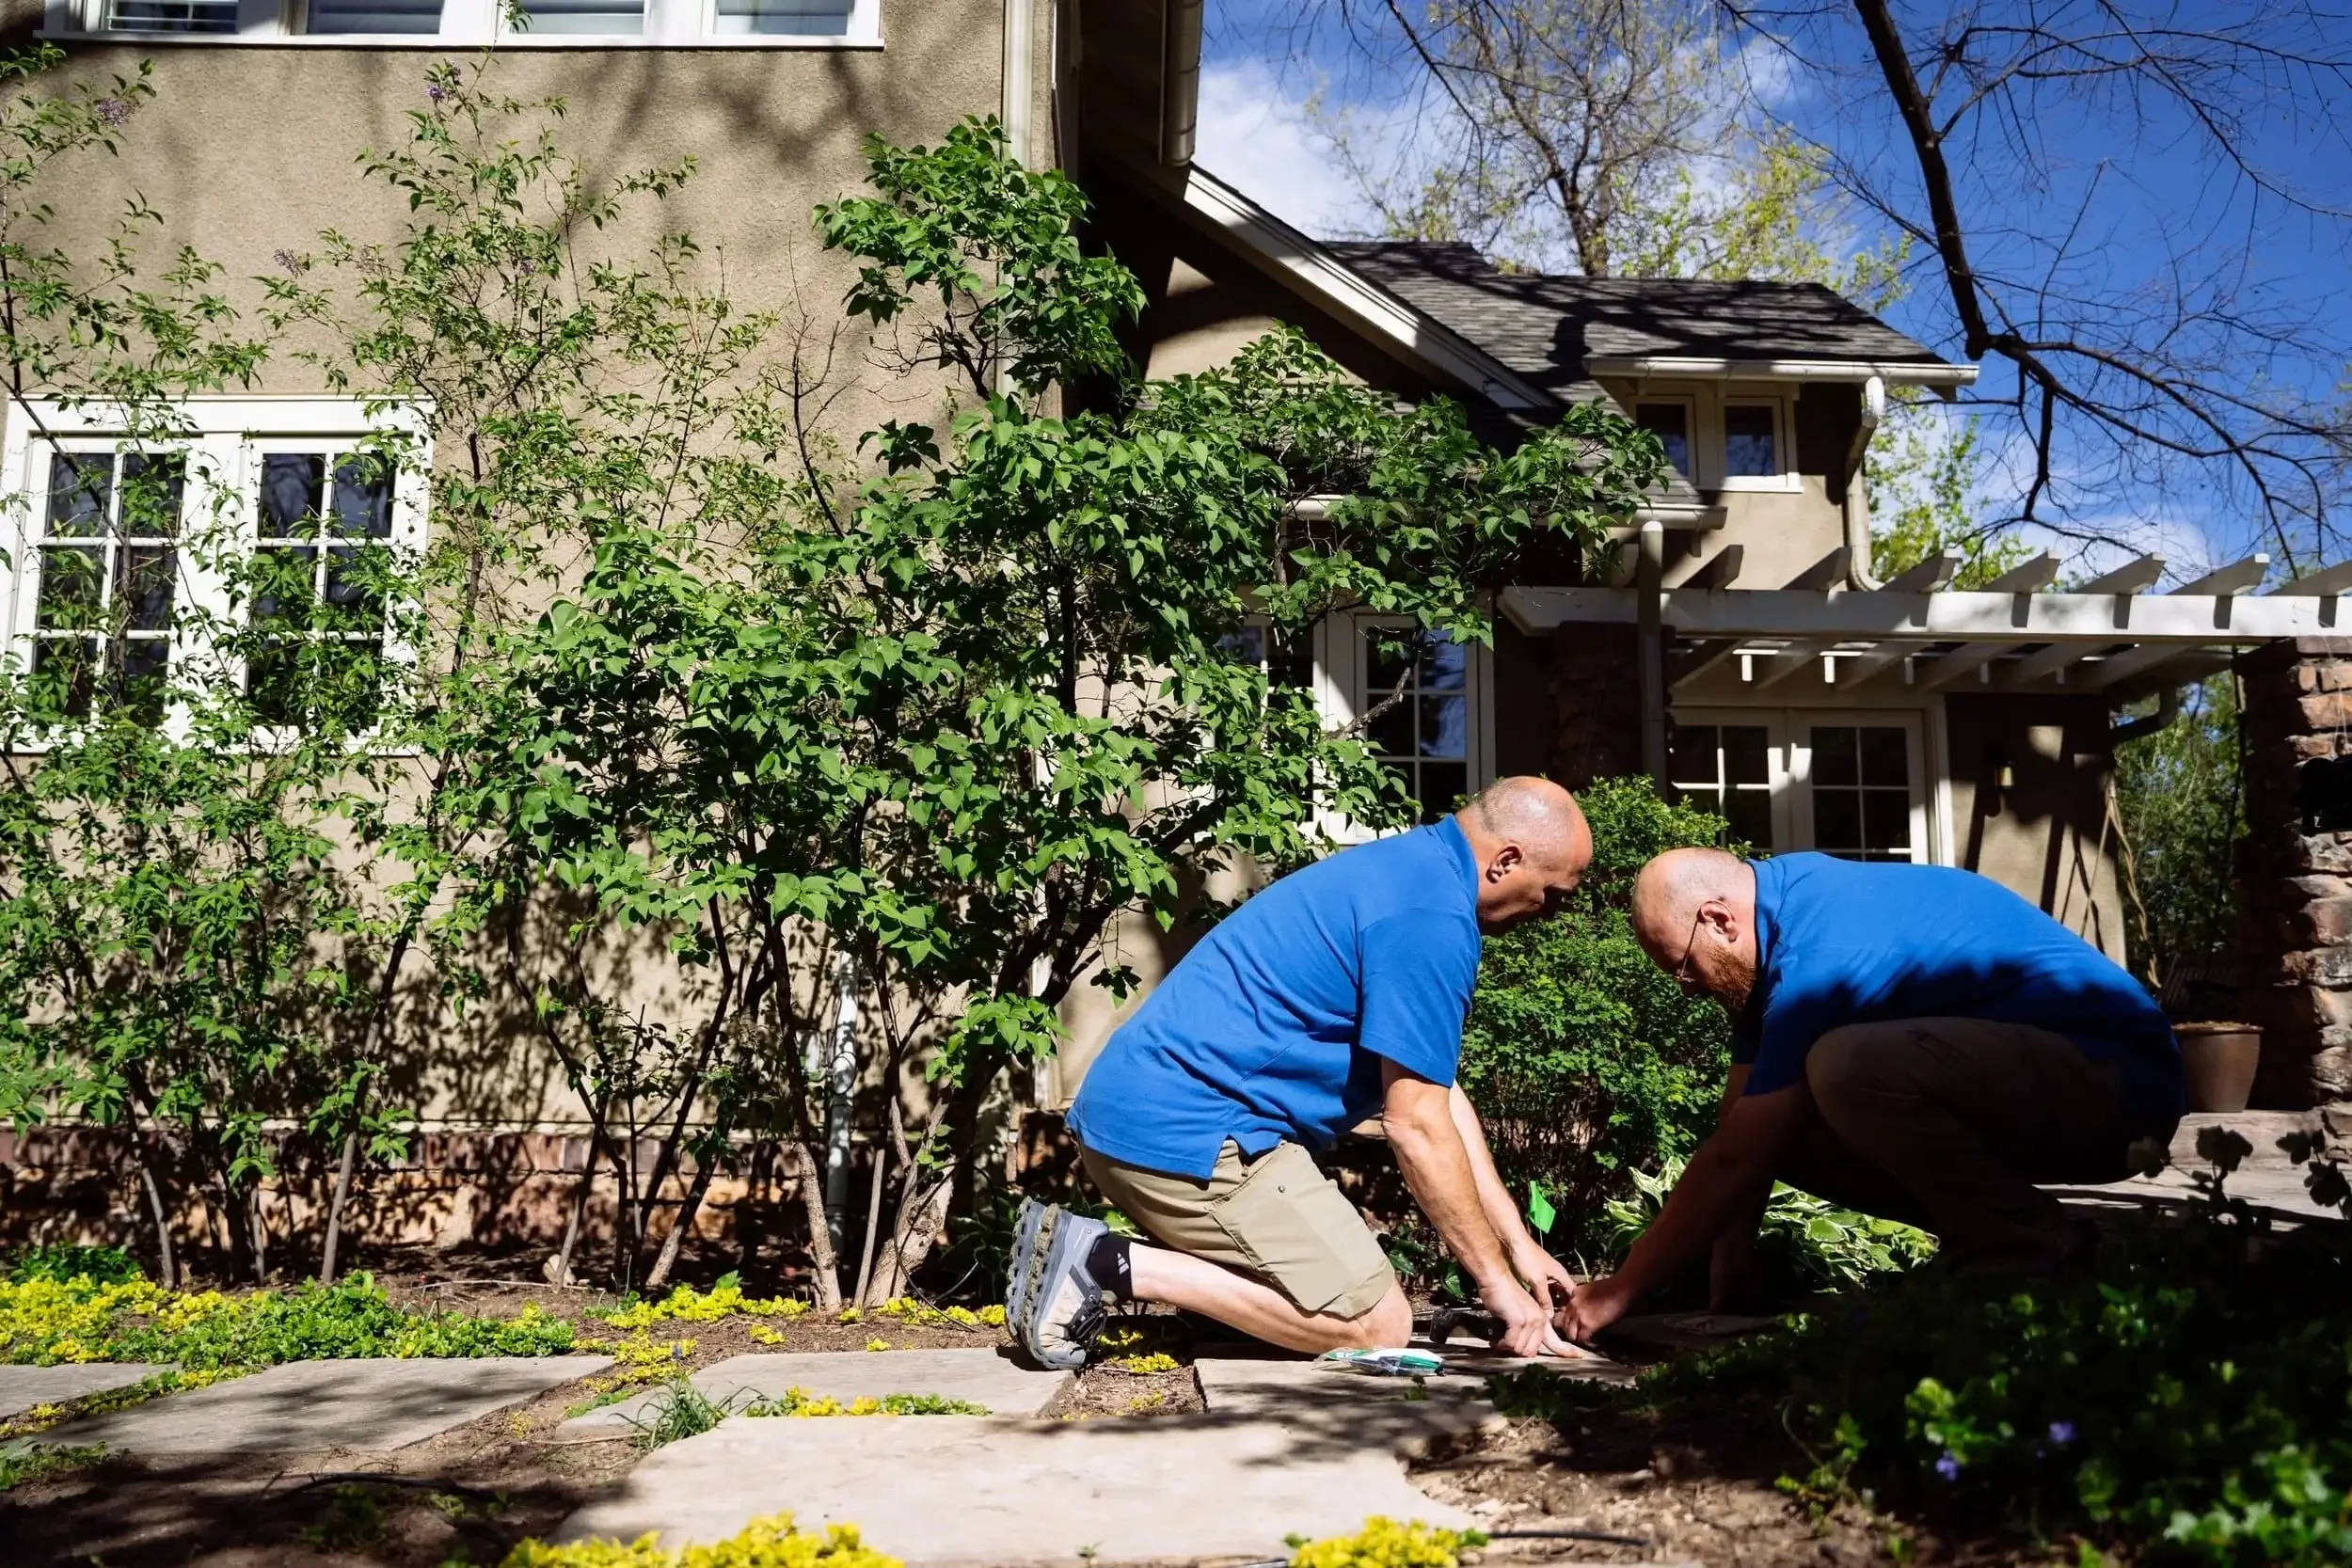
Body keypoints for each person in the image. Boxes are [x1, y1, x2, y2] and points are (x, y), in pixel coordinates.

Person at [1005, 777, 1596, 1370]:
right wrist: (1494, 1283)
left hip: (1148, 1122)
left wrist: (1516, 1247)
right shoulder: (1429, 918)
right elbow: (1415, 1125)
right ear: (1507, 861)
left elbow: (1435, 1093)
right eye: (1553, 893)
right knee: (1378, 1324)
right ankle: (1100, 1260)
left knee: (1337, 1294)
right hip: (1190, 1139)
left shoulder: (1413, 870)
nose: (1550, 913)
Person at [1565, 847, 2183, 1343]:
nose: (1686, 987)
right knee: (1785, 1119)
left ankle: (2027, 1250)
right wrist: (1730, 1271)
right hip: (2034, 1077)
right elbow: (1740, 1131)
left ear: (1720, 920)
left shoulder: (1821, 955)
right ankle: (1998, 1239)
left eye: (1683, 966)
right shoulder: (1774, 935)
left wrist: (1618, 1292)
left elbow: (1738, 1157)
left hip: (2119, 1083)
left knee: (1845, 1067)